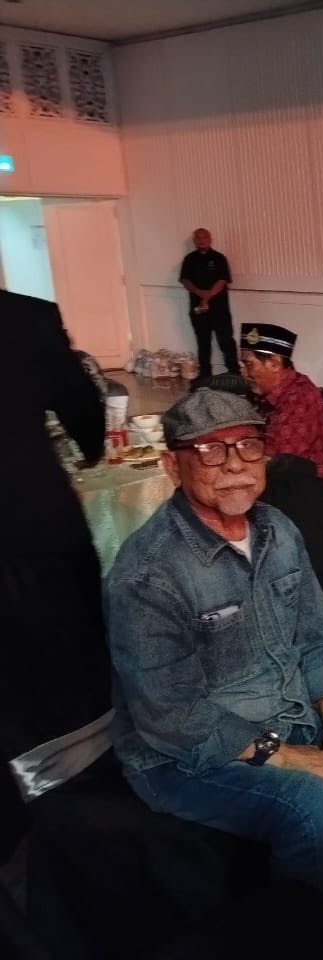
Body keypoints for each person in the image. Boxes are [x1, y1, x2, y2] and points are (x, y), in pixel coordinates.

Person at [104, 388, 323, 901]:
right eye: (210, 450)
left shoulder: (278, 529)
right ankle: (302, 931)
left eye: (248, 445)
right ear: (172, 466)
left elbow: (317, 637)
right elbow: (173, 717)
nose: (235, 464)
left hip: (291, 709)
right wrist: (287, 756)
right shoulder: (148, 575)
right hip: (186, 756)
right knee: (309, 803)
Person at [1, 292, 109, 866]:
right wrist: (89, 448)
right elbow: (81, 407)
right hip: (35, 530)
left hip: (33, 534)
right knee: (74, 671)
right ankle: (83, 826)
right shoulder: (27, 317)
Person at [239, 323, 323, 479]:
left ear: (274, 364)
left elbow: (275, 464)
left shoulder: (299, 398)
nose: (243, 372)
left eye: (249, 365)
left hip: (295, 484)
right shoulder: (261, 390)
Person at [179, 228, 238, 379]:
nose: (201, 240)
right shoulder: (189, 259)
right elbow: (185, 280)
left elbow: (222, 281)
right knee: (203, 342)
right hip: (198, 309)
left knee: (225, 340)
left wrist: (207, 296)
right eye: (198, 238)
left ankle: (234, 373)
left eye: (204, 237)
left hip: (219, 309)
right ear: (194, 241)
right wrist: (199, 293)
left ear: (210, 239)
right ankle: (205, 375)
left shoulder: (219, 258)